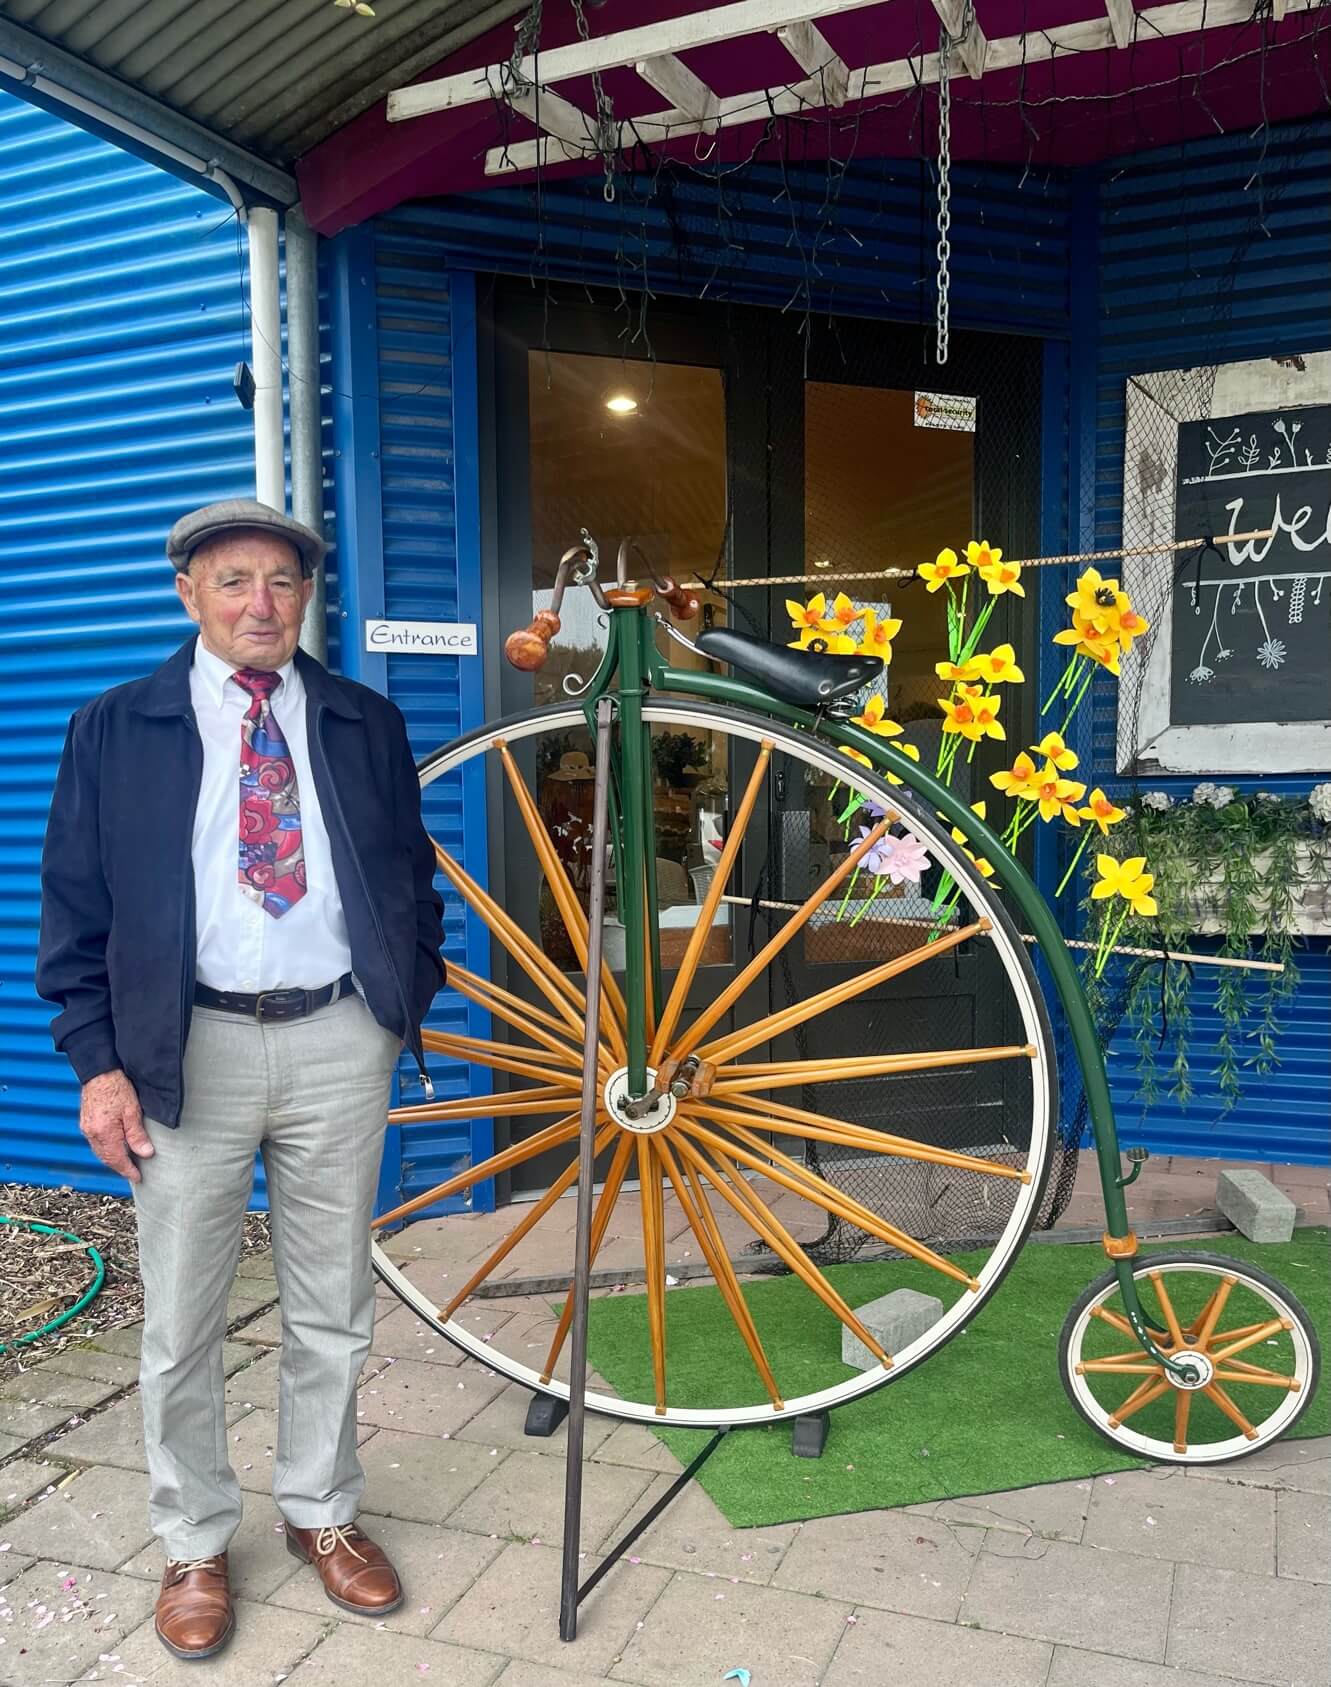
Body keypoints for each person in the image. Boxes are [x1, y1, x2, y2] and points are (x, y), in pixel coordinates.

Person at [37, 499, 446, 1661]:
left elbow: (410, 878)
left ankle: (323, 1509)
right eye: (233, 583)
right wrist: (97, 1062)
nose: (260, 604)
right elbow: (75, 909)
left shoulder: (364, 720)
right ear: (189, 593)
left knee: (332, 1302)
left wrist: (397, 1001)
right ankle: (195, 1537)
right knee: (181, 1319)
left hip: (336, 1042)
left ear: (305, 595)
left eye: (280, 581)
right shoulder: (118, 727)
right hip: (185, 1054)